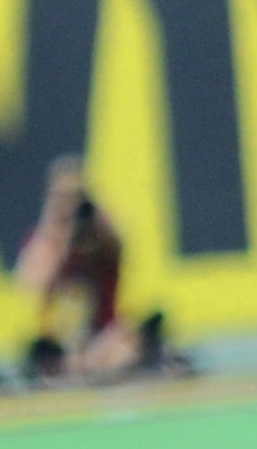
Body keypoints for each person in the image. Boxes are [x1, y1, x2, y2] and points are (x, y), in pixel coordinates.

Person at [14, 158, 172, 381]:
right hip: (65, 346)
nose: (70, 206)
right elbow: (30, 282)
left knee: (133, 339)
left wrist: (93, 220)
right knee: (54, 358)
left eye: (76, 197)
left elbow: (121, 244)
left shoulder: (99, 235)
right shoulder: (44, 242)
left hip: (106, 336)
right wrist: (54, 232)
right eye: (63, 198)